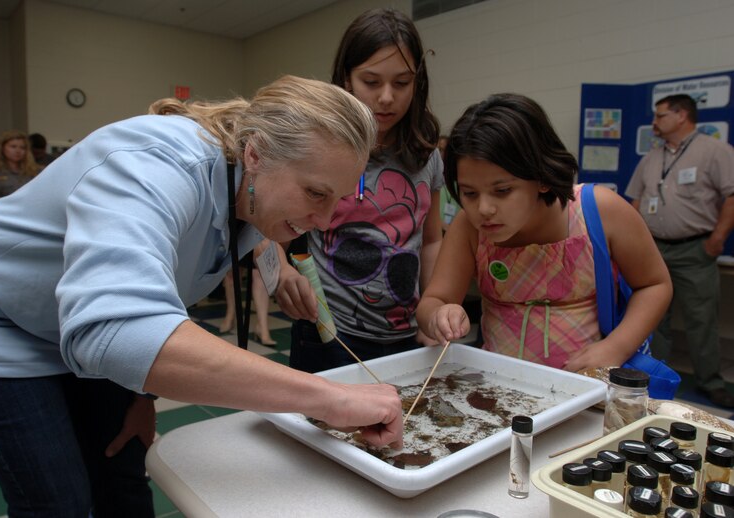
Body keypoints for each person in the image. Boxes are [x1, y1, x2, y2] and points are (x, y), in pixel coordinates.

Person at [0, 75, 403, 517]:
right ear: (255, 153)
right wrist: (328, 397)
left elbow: (173, 274)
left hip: (71, 324)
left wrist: (279, 270)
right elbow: (113, 329)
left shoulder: (247, 182)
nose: (325, 221)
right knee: (58, 500)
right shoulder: (153, 164)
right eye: (315, 194)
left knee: (124, 470)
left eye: (338, 199)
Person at [417, 93, 672, 373]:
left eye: (502, 191)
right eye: (469, 193)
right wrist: (439, 315)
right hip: (500, 387)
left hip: (587, 385)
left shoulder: (599, 210)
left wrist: (616, 347)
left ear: (541, 177)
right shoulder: (468, 227)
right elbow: (434, 300)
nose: (484, 208)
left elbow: (654, 285)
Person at [274, 8, 444, 373]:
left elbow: (431, 240)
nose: (386, 97)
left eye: (401, 83)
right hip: (328, 332)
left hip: (405, 335)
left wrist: (434, 303)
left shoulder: (426, 155)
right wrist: (280, 274)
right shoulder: (320, 145)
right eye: (371, 81)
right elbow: (269, 228)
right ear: (347, 80)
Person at [625, 93, 734, 407]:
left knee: (702, 317)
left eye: (660, 116)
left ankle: (711, 382)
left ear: (682, 115)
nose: (654, 122)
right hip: (653, 249)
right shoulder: (652, 157)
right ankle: (656, 375)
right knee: (652, 318)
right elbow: (635, 201)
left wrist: (717, 239)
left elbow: (731, 195)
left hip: (693, 248)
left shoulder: (714, 151)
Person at [219, 241, 277, 346]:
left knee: (260, 267)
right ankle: (231, 314)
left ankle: (262, 327)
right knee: (232, 269)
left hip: (258, 229)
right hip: (236, 227)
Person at [0, 130, 41, 200]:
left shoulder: (35, 170)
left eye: (22, 148)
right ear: (2, 148)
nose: (18, 151)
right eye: (13, 147)